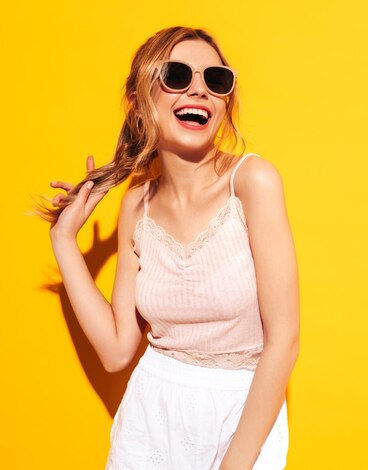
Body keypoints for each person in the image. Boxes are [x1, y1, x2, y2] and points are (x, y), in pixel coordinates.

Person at [35, 26, 300, 469]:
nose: (199, 89)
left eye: (216, 80)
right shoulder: (136, 203)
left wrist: (234, 464)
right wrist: (63, 241)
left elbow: (284, 340)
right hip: (152, 414)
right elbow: (119, 349)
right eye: (177, 75)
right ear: (140, 102)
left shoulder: (252, 182)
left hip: (243, 412)